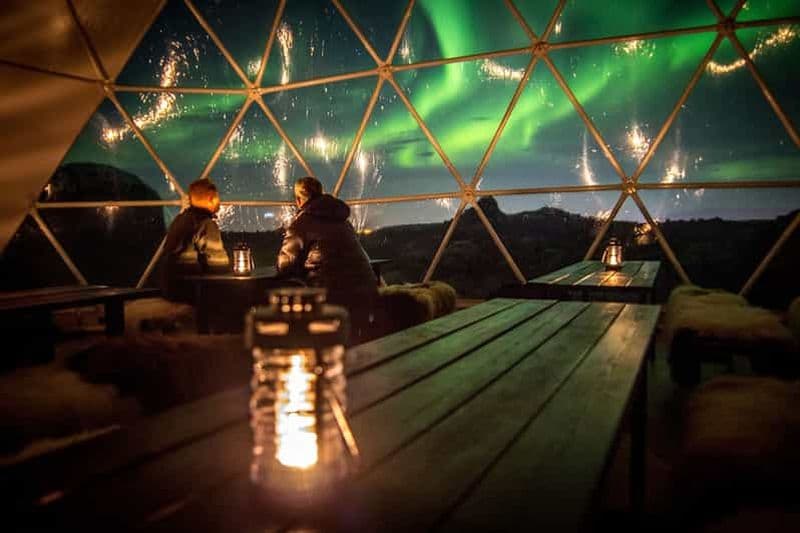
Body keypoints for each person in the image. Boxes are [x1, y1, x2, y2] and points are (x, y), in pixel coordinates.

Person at [277, 176, 378, 339]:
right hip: (366, 291)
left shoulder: (301, 223)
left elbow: (285, 266)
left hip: (332, 296)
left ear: (298, 199)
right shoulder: (343, 221)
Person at [160, 178, 230, 303]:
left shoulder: (181, 219)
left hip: (170, 290)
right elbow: (218, 267)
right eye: (218, 197)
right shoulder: (205, 224)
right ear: (211, 199)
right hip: (191, 294)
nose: (219, 201)